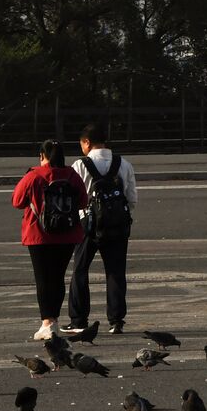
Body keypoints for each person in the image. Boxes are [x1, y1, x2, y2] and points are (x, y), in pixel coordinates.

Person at [63, 123, 137, 336]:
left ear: (86, 142)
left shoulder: (79, 166)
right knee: (115, 272)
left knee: (80, 270)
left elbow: (73, 196)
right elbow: (132, 198)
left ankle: (79, 319)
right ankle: (116, 320)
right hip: (118, 227)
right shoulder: (124, 164)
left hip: (87, 226)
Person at [11, 139, 87, 341]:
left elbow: (17, 201)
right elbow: (83, 201)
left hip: (39, 235)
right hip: (68, 234)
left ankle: (47, 322)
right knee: (58, 277)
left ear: (42, 156)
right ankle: (53, 318)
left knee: (43, 279)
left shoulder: (34, 175)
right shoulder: (72, 175)